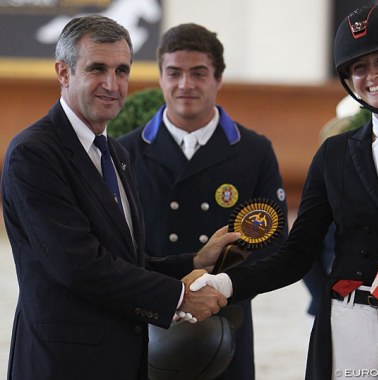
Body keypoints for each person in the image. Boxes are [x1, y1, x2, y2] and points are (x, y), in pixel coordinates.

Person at [190, 5, 378, 380]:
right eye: (358, 67)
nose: (371, 75)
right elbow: (297, 255)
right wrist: (226, 283)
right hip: (346, 325)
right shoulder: (334, 154)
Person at [1, 15, 239, 380]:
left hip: (123, 360)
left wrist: (193, 260)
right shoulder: (34, 153)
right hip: (62, 365)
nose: (112, 84)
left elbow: (122, 259)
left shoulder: (116, 154)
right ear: (63, 73)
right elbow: (78, 265)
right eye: (97, 68)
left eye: (122, 70)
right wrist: (179, 295)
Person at [119, 23, 288, 379]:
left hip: (227, 321)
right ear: (161, 77)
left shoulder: (254, 151)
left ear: (218, 79)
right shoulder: (125, 152)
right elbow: (117, 248)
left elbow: (274, 245)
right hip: (150, 321)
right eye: (174, 73)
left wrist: (223, 290)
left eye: (198, 73)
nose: (185, 84)